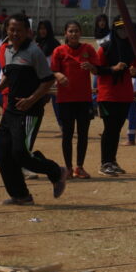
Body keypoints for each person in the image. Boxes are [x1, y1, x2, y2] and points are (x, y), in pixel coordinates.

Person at [0, 14, 68, 205]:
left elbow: (47, 81)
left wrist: (31, 100)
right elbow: (8, 74)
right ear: (7, 30)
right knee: (1, 151)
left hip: (29, 112)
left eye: (19, 30)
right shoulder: (7, 50)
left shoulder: (34, 52)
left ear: (27, 32)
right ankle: (21, 194)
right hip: (11, 110)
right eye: (11, 29)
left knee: (20, 153)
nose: (14, 33)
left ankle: (57, 171)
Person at [88, 18, 136, 177]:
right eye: (120, 30)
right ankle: (105, 163)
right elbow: (96, 70)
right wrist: (113, 68)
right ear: (114, 31)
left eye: (125, 29)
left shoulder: (132, 49)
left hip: (125, 95)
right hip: (107, 95)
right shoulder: (105, 49)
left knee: (116, 130)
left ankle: (112, 161)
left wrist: (134, 71)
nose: (123, 33)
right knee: (109, 129)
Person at [51, 21, 98, 179]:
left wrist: (91, 67)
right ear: (65, 33)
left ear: (80, 32)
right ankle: (68, 168)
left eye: (76, 31)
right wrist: (59, 75)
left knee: (83, 134)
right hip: (65, 99)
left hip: (84, 99)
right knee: (67, 134)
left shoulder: (88, 49)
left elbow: (98, 69)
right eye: (70, 31)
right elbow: (53, 70)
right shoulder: (59, 50)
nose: (74, 34)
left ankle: (80, 167)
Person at [35, 20, 62, 129]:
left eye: (44, 28)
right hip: (40, 79)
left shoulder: (55, 44)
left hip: (53, 79)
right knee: (36, 103)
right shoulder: (36, 43)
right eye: (40, 28)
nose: (42, 31)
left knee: (57, 104)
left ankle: (62, 127)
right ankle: (33, 125)